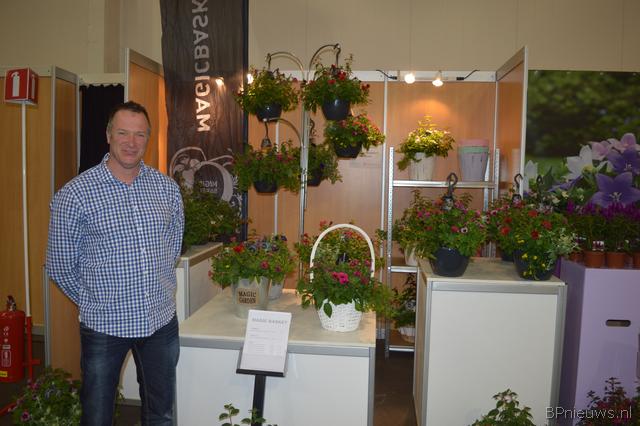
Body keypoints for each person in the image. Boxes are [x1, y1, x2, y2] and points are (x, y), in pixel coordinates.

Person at [46, 101, 184, 425]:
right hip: (105, 325)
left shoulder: (166, 189)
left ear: (148, 138)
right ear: (108, 135)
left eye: (140, 134)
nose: (131, 142)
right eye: (123, 133)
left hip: (160, 320)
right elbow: (60, 265)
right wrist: (95, 299)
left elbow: (172, 247)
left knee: (161, 413)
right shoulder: (75, 194)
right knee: (97, 415)